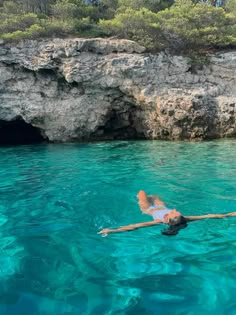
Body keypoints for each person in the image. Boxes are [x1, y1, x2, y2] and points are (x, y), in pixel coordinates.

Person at [98, 190, 236, 236]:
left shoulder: (158, 221)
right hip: (161, 206)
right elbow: (211, 216)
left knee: (142, 193)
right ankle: (152, 198)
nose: (175, 210)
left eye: (174, 213)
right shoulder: (184, 218)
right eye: (176, 212)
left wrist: (112, 231)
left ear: (169, 219)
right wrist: (231, 214)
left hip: (149, 209)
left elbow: (135, 226)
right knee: (155, 196)